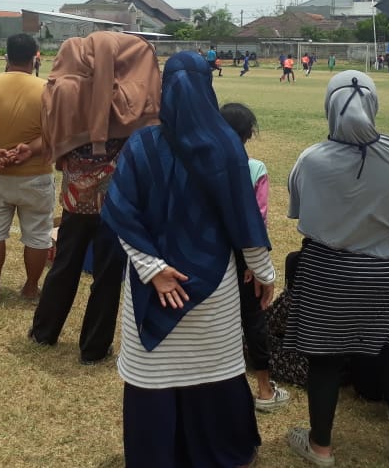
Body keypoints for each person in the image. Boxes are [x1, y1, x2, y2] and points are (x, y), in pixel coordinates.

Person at [102, 52, 275, 468]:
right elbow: (244, 221)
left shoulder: (142, 144)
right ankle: (215, 452)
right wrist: (264, 272)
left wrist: (153, 270)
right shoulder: (226, 147)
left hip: (154, 288)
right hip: (213, 286)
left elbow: (121, 211)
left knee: (155, 379)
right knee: (210, 375)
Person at [285, 70, 389, 467]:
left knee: (325, 361)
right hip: (387, 273)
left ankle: (321, 448)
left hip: (329, 273)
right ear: (374, 105)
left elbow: (299, 215)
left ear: (329, 107)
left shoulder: (311, 159)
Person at [30, 32, 161, 365]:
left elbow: (54, 135)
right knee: (107, 272)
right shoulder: (133, 93)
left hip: (76, 196)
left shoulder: (66, 89)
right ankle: (94, 346)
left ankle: (44, 330)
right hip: (118, 201)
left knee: (66, 261)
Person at [0, 34, 53, 303]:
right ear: (35, 57)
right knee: (38, 235)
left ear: (6, 56)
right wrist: (31, 149)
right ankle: (30, 289)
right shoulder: (48, 89)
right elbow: (58, 131)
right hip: (37, 174)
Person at [220, 102, 290, 413]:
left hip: (213, 255)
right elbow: (258, 220)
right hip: (245, 255)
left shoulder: (205, 166)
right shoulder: (255, 169)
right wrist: (255, 264)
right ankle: (264, 389)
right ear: (248, 134)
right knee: (253, 319)